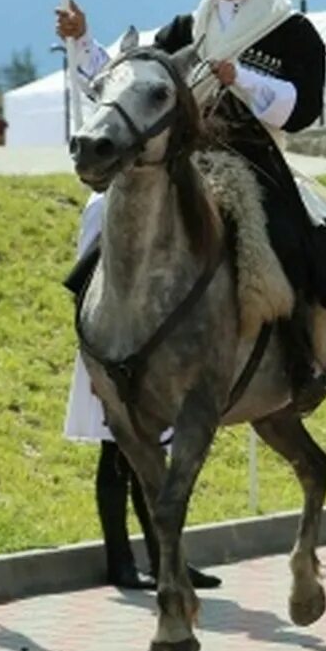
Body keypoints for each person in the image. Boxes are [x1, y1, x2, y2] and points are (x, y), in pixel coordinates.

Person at [56, 0, 326, 346]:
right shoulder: (189, 27)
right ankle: (103, 330)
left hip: (255, 159)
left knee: (287, 237)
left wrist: (244, 81)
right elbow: (129, 83)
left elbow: (302, 113)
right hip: (184, 156)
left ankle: (299, 351)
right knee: (101, 211)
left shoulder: (291, 31)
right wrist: (83, 39)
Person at [63, 193, 221, 590]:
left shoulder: (161, 201)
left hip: (149, 347)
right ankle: (120, 561)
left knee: (151, 456)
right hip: (112, 347)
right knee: (115, 453)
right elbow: (84, 282)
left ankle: (166, 561)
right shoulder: (104, 204)